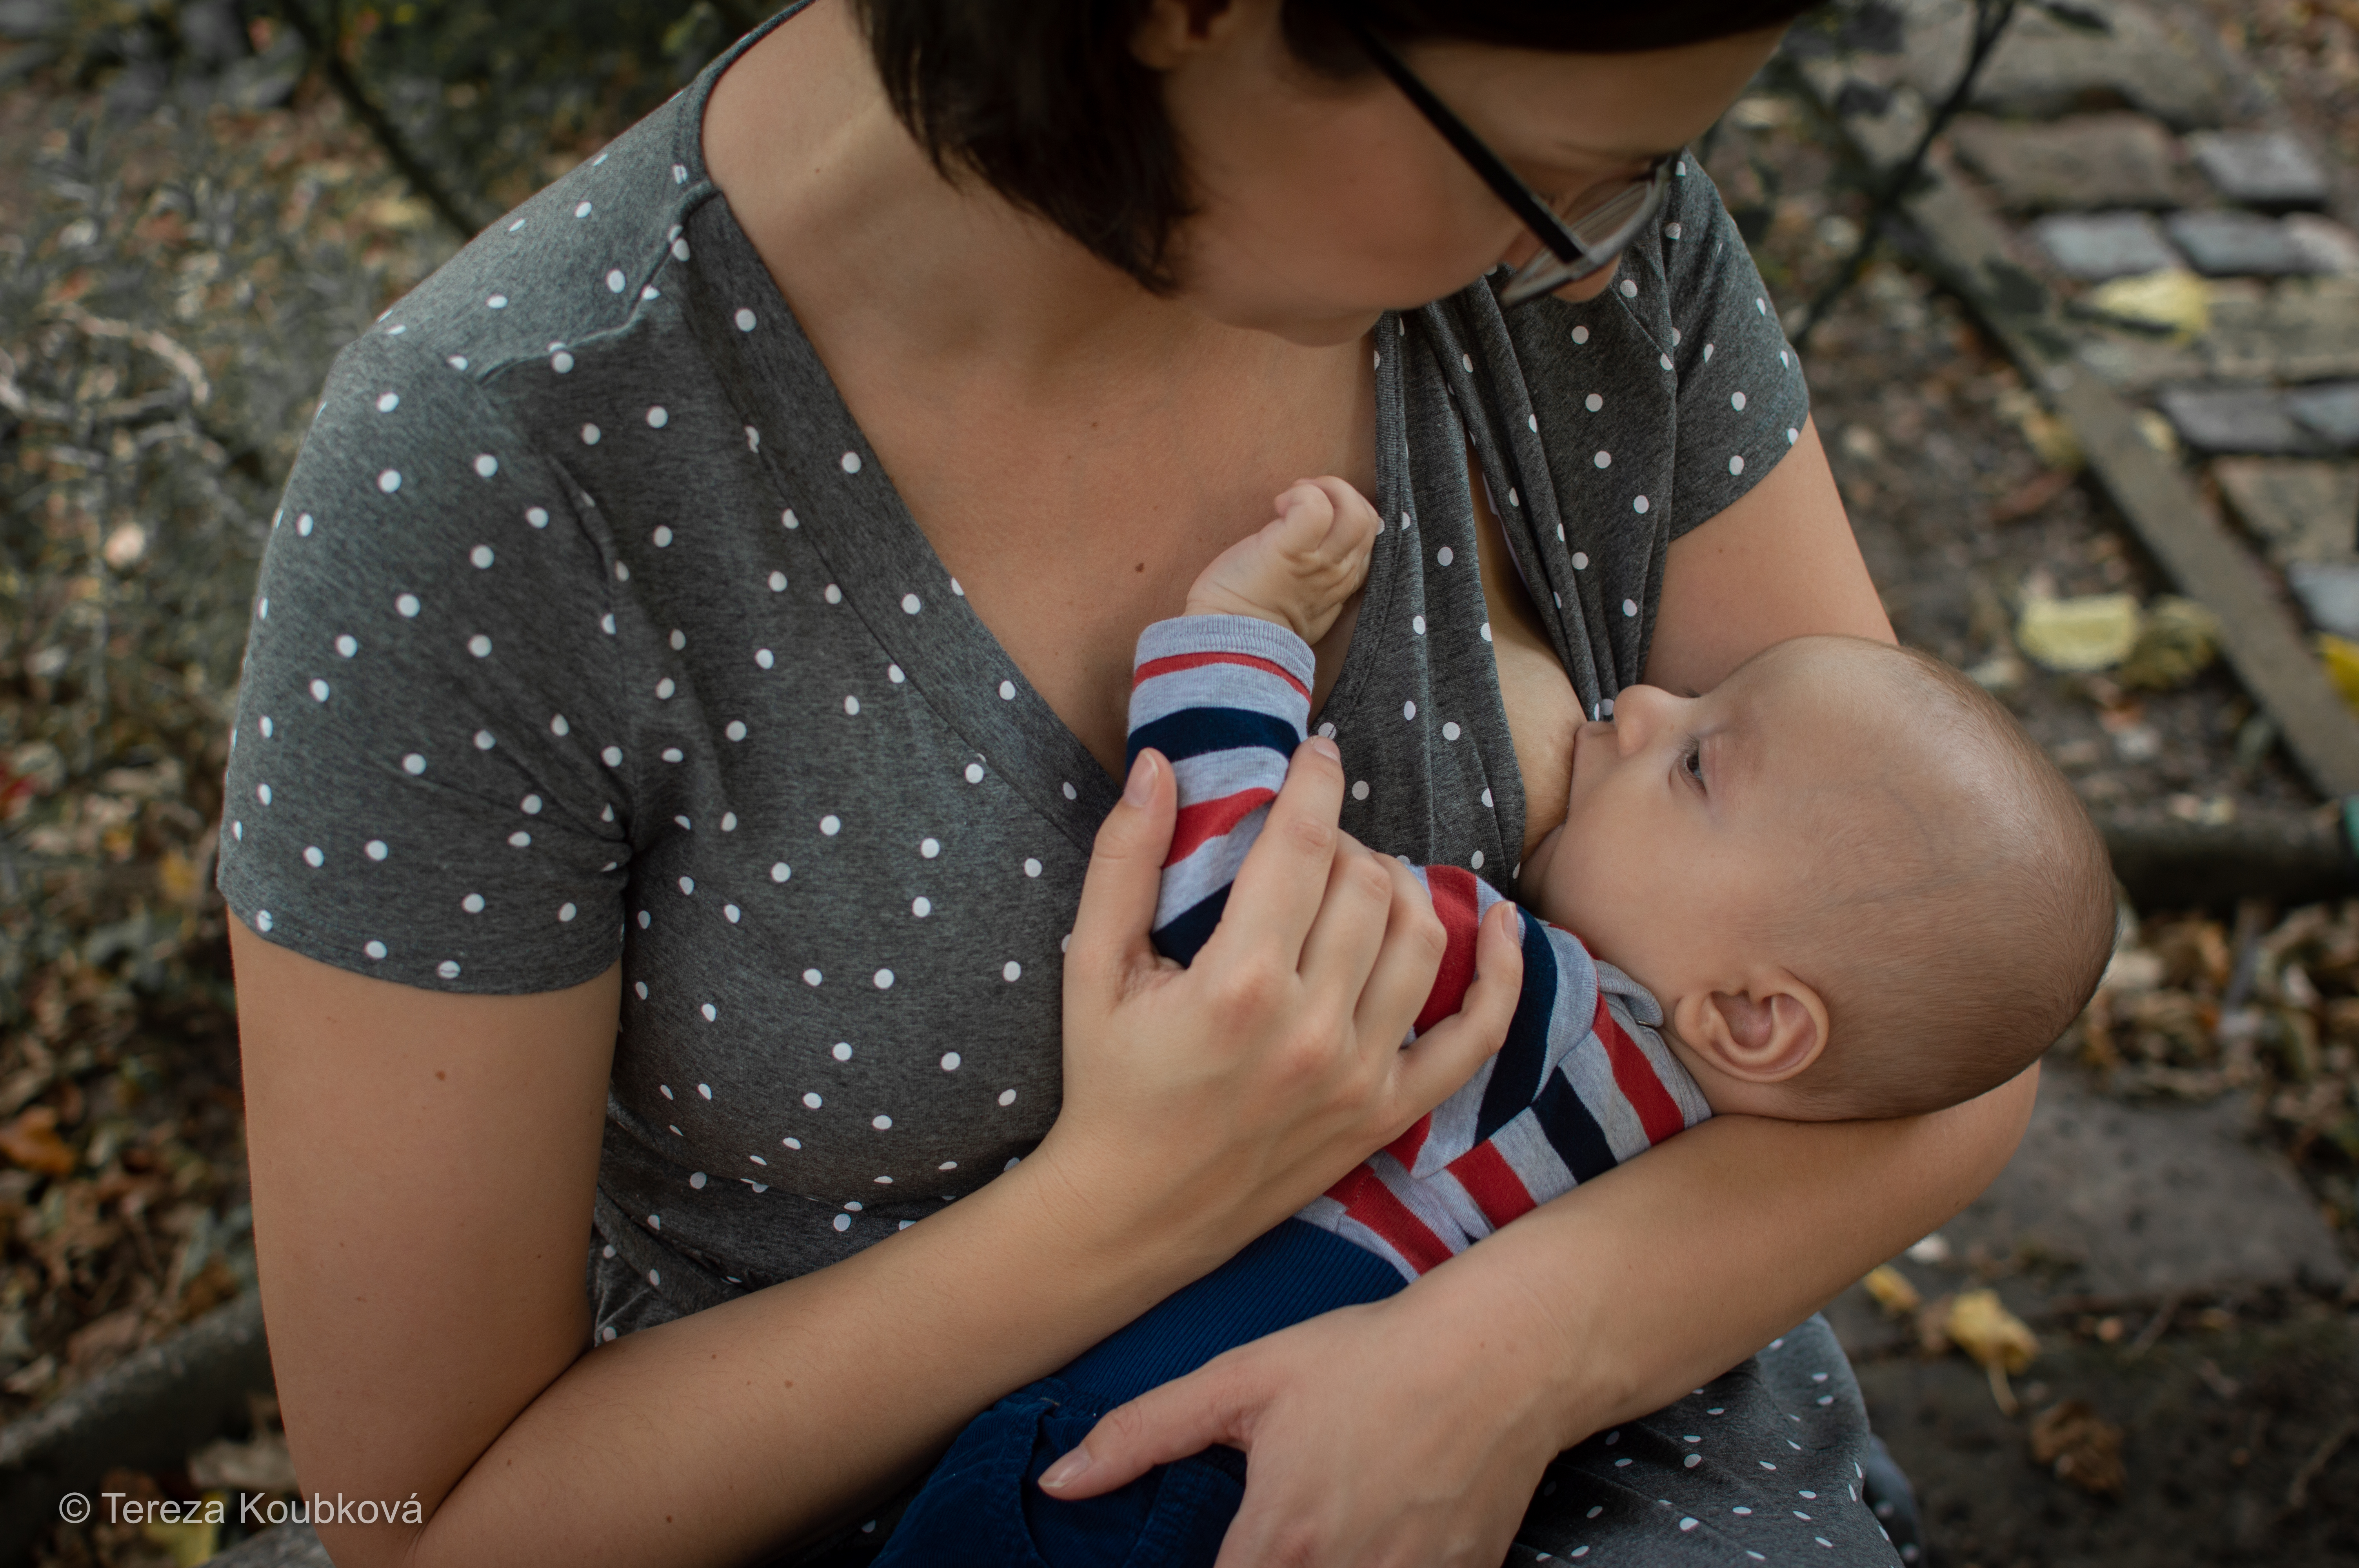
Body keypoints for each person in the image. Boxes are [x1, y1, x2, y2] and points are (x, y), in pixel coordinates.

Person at [219, 2, 2046, 1564]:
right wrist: (1118, 1214)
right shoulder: (507, 478)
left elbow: (1946, 1010)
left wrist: (1490, 1364)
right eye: (1554, 174)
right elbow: (428, 1523)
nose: (1577, 252)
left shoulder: (1583, 254)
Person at [870, 477, 2114, 1566]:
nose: (1637, 703)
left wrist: (1244, 638)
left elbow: (1231, 922)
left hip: (1133, 1485)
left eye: (1694, 763)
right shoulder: (1671, 1147)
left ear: (1749, 1014)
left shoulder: (1539, 1018)